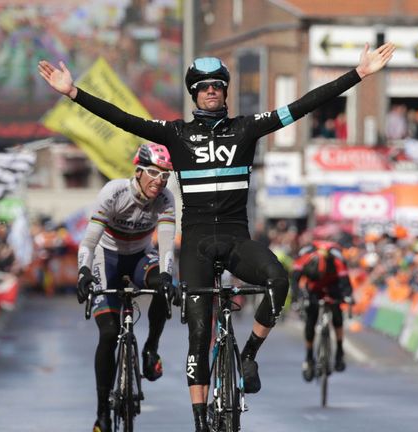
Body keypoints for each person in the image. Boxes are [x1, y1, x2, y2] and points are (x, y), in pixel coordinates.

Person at [38, 41, 394, 432]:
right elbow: (122, 119)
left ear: (225, 91)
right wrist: (73, 93)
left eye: (217, 85)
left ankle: (248, 355)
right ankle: (199, 421)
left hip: (236, 238)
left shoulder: (247, 128)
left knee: (279, 280)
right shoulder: (175, 133)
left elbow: (304, 104)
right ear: (194, 94)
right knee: (199, 332)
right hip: (196, 244)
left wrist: (358, 74)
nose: (211, 90)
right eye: (203, 86)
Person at [76, 143, 176, 432]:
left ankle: (150, 349)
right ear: (139, 171)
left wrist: (169, 276)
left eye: (165, 176)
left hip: (140, 256)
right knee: (108, 334)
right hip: (106, 256)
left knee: (163, 285)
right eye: (154, 174)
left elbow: (168, 246)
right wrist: (83, 271)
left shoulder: (166, 199)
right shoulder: (113, 192)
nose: (160, 181)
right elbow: (89, 240)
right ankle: (102, 413)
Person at [291, 239, 353, 381]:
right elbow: (294, 280)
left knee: (337, 314)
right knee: (310, 321)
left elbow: (346, 283)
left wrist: (347, 297)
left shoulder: (337, 260)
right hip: (313, 288)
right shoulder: (305, 257)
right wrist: (297, 297)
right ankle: (308, 358)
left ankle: (339, 352)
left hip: (333, 285)